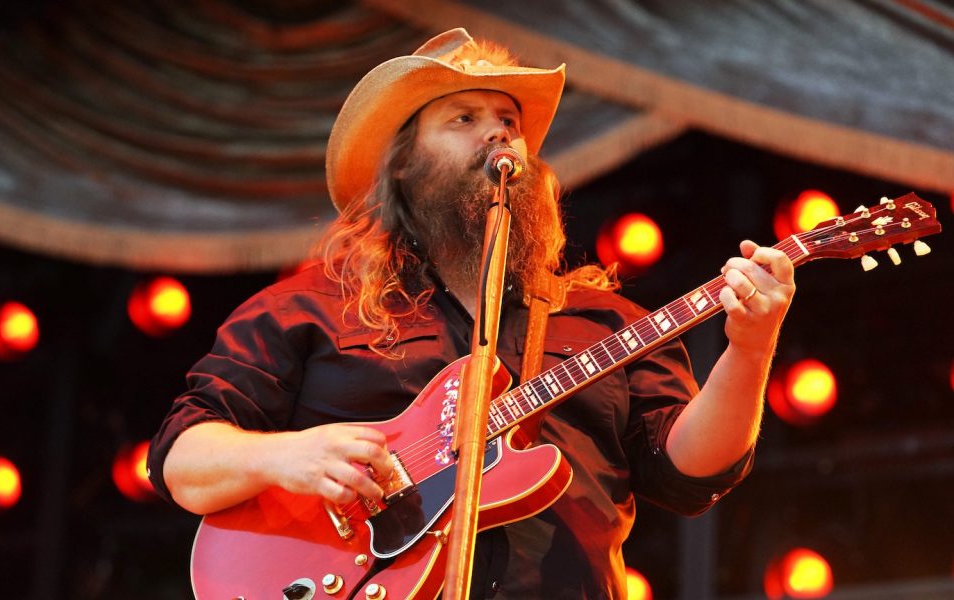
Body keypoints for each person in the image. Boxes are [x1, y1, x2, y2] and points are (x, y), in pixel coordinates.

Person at [147, 28, 795, 599]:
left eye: (508, 121)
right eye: (463, 118)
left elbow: (688, 473)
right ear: (402, 167)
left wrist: (751, 347)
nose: (496, 132)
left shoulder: (606, 320)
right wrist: (286, 457)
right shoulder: (310, 306)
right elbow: (183, 460)